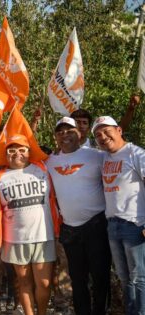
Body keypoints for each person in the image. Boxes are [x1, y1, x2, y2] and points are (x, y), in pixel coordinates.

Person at [0, 135, 59, 315]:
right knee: (24, 282)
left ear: (29, 152)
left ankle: (42, 312)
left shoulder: (43, 170)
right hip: (15, 239)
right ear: (6, 154)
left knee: (44, 283)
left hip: (43, 236)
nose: (17, 154)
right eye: (12, 150)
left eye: (22, 149)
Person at [46, 117, 110, 315]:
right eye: (60, 132)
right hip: (70, 228)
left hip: (96, 225)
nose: (65, 134)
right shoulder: (49, 161)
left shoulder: (97, 156)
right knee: (77, 278)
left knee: (100, 277)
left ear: (79, 133)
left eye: (69, 131)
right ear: (56, 137)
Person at [93, 116, 145, 314]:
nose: (103, 137)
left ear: (119, 130)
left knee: (139, 278)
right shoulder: (104, 157)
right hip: (112, 225)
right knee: (124, 278)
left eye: (107, 131)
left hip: (135, 223)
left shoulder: (136, 153)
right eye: (98, 135)